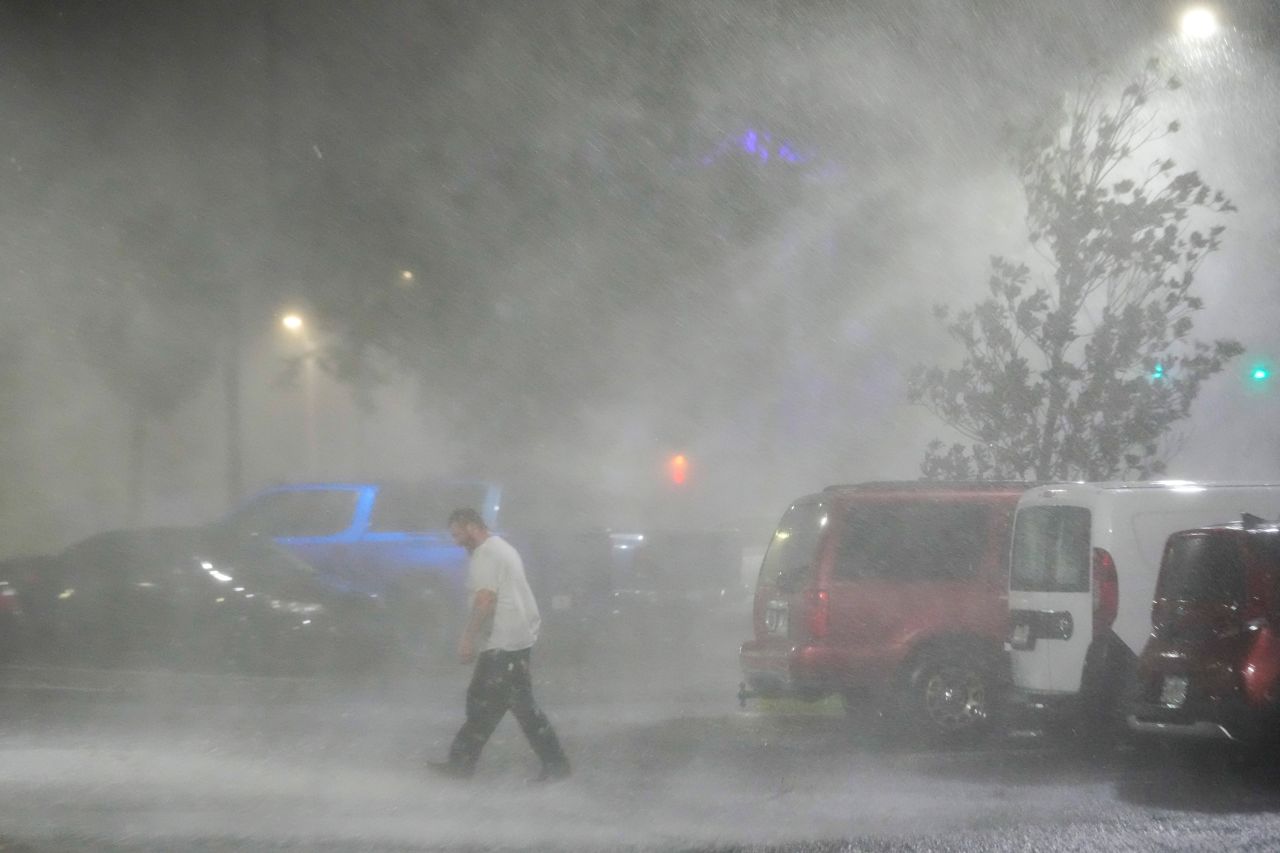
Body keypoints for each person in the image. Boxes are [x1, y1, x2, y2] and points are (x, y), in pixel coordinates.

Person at [428, 507, 571, 783]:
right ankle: (461, 763)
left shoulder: (487, 554)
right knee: (486, 702)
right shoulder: (501, 548)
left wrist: (467, 638)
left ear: (471, 526)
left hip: (503, 643)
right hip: (513, 640)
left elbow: (485, 599)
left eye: (458, 535)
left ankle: (556, 766)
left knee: (516, 707)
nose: (457, 542)